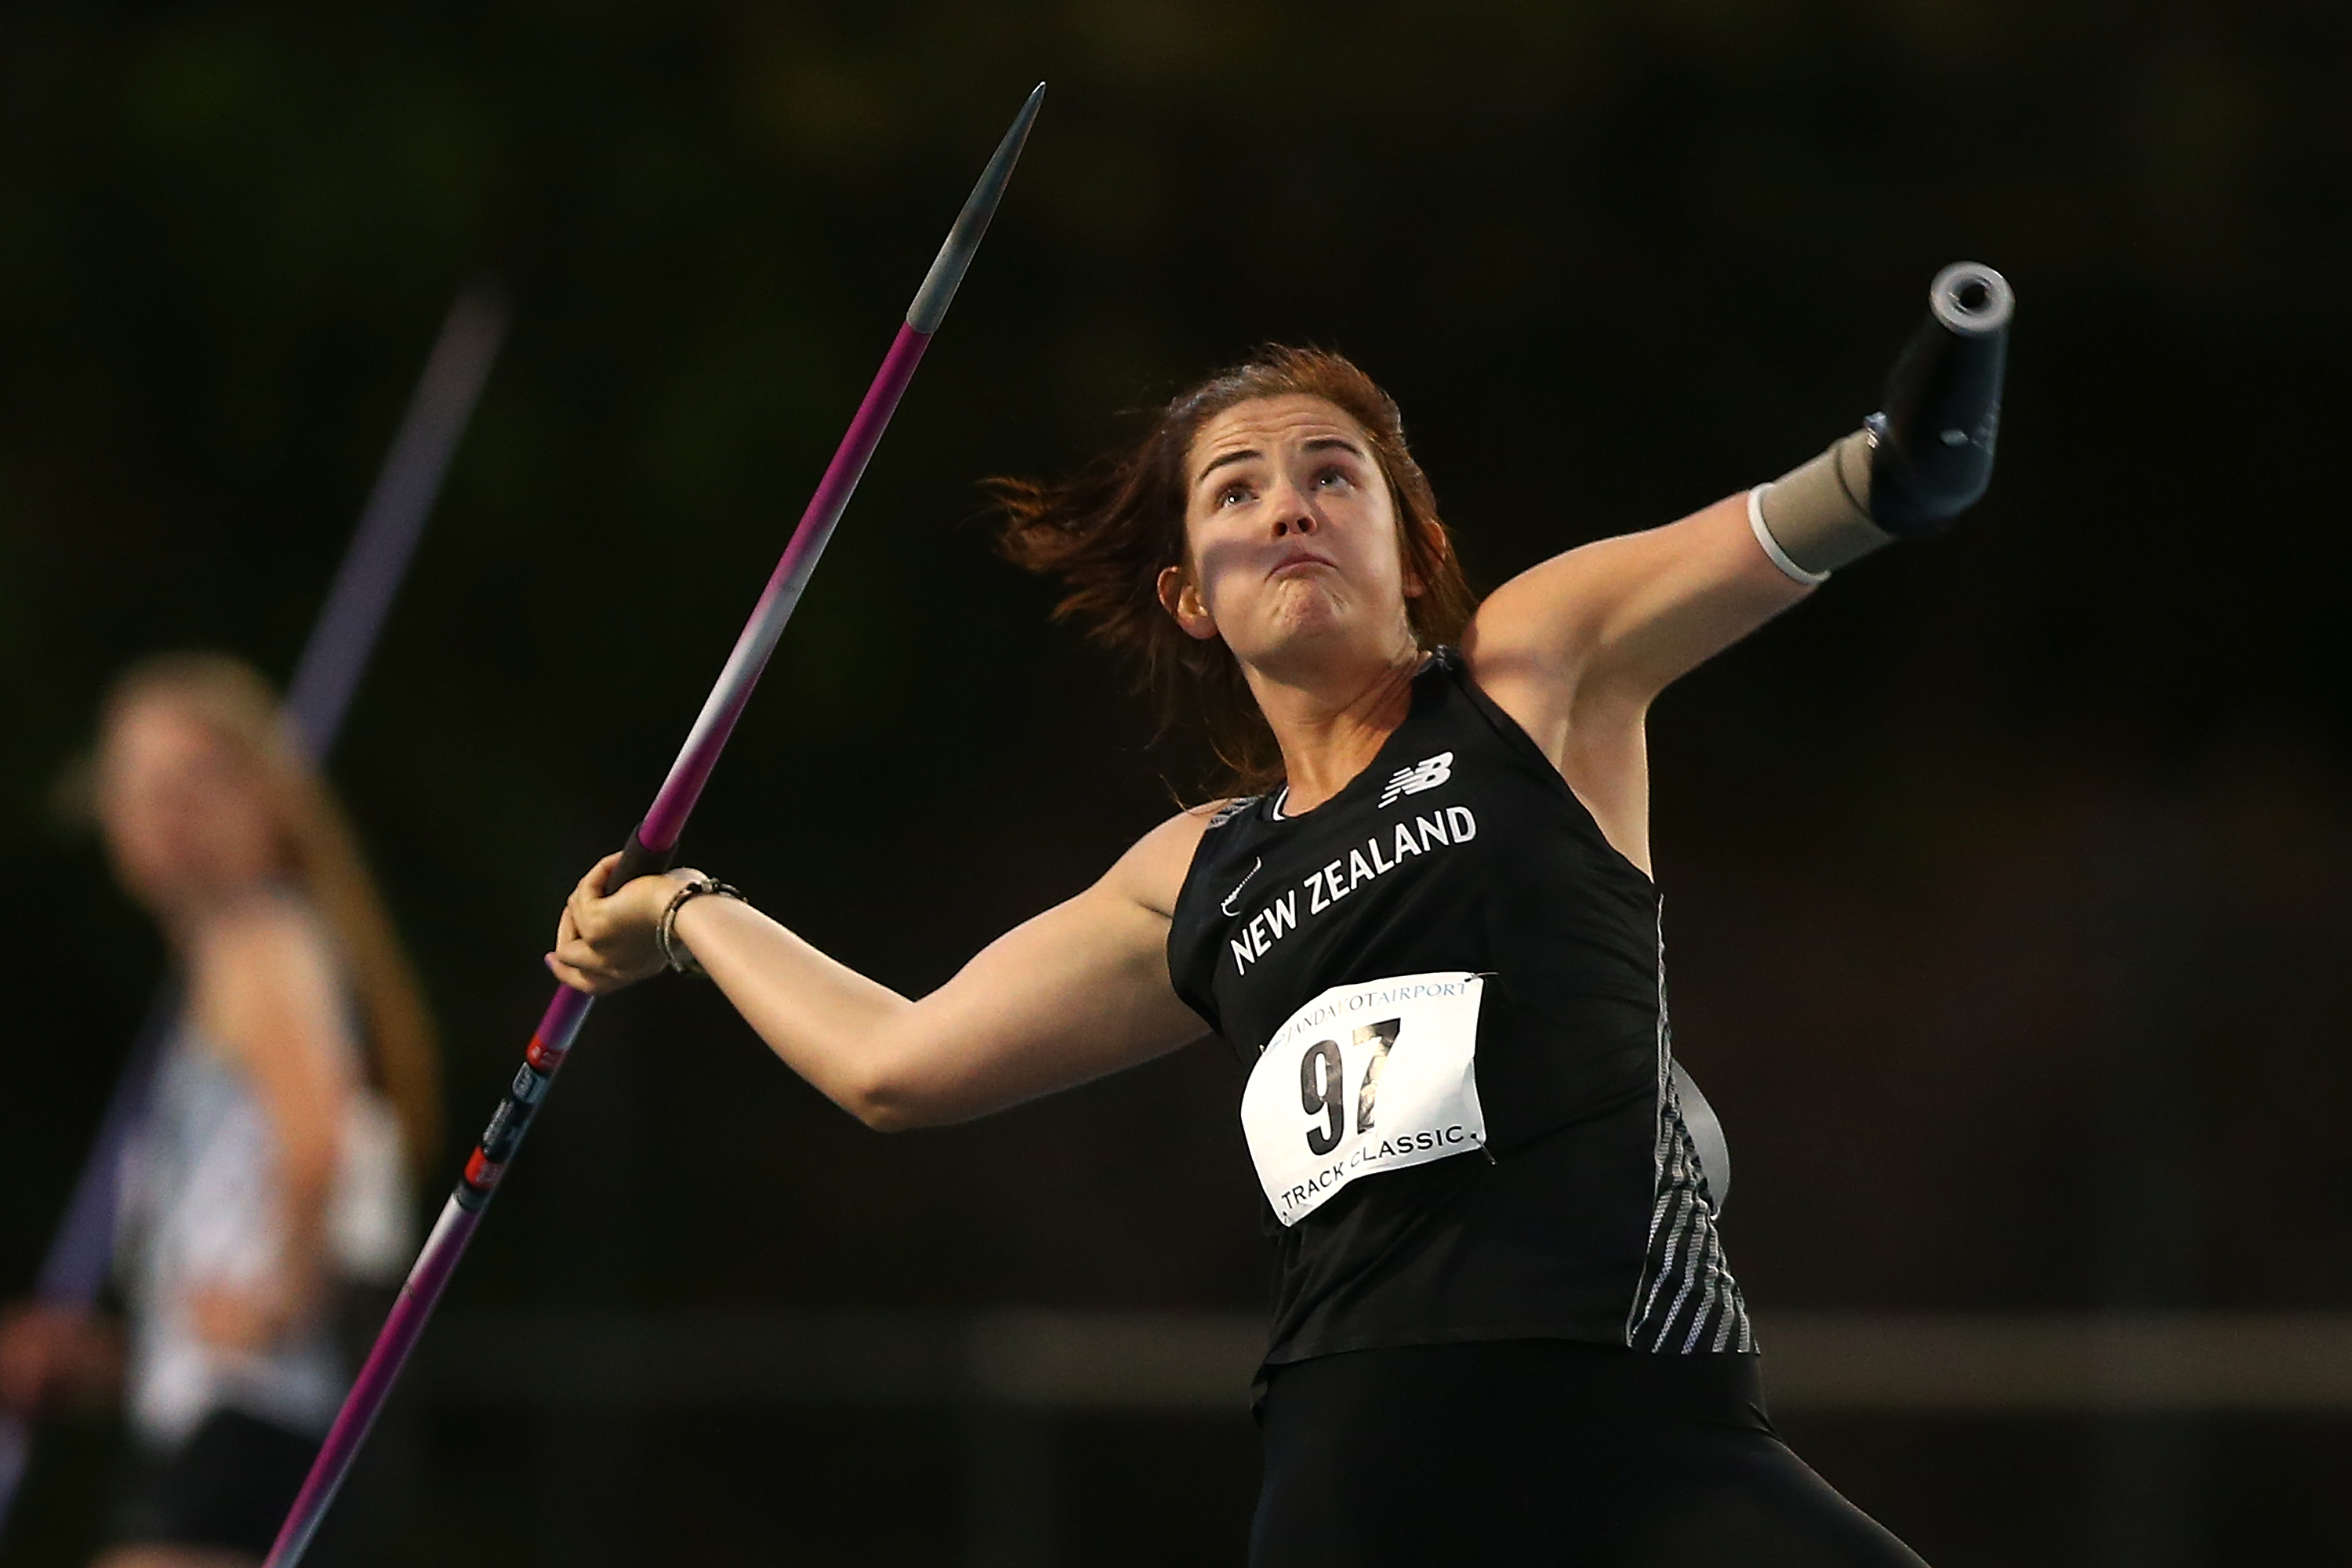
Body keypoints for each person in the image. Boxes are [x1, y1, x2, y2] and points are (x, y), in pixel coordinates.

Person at [550, 271, 2006, 1563]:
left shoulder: (1529, 682)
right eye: (1237, 490)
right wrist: (689, 911)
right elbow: (895, 1065)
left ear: (1414, 546)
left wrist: (1928, 419)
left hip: (1646, 1436)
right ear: (1192, 596)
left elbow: (1877, 490)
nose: (1289, 504)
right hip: (1365, 1471)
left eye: (1333, 475)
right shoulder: (1195, 874)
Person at [0, 654, 437, 1567]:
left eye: (196, 779)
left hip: (250, 1427)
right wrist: (117, 1356)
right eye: (140, 781)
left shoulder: (262, 944)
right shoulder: (217, 972)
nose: (167, 809)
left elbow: (324, 1141)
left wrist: (281, 1300)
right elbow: (227, 1227)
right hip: (218, 1424)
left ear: (265, 799)